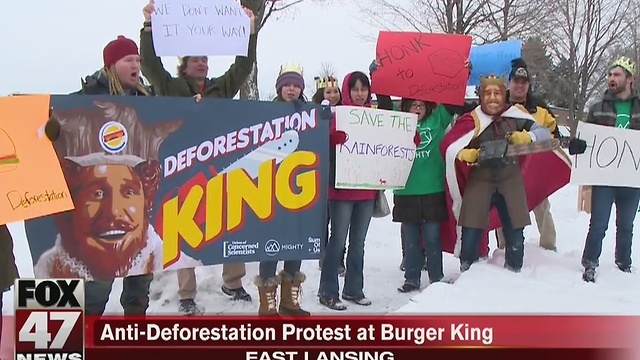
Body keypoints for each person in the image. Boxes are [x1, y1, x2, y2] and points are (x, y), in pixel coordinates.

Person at [139, 0, 258, 313]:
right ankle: (187, 293)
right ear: (184, 64)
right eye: (196, 60)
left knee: (233, 222)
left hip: (219, 168)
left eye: (205, 59)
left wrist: (249, 33)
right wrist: (149, 27)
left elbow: (243, 67)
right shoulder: (171, 87)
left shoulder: (221, 87)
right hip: (183, 170)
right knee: (183, 228)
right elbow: (150, 66)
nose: (202, 63)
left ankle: (233, 282)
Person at [45, 35, 156, 317]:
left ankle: (134, 329)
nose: (136, 65)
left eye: (138, 60)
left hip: (136, 203)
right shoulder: (87, 98)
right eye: (129, 60)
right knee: (97, 279)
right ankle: (89, 330)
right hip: (96, 205)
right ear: (111, 65)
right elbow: (56, 123)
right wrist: (49, 125)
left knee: (140, 276)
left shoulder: (150, 100)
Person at [441, 74, 553, 273]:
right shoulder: (472, 119)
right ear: (481, 96)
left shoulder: (515, 115)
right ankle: (467, 270)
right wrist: (463, 152)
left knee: (514, 229)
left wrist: (528, 135)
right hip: (480, 178)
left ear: (504, 95)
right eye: (488, 93)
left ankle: (514, 269)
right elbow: (449, 144)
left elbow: (544, 133)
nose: (493, 98)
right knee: (471, 228)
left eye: (497, 93)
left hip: (510, 178)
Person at [568, 57, 639, 282]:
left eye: (617, 75)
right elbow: (586, 141)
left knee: (626, 225)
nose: (611, 79)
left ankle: (624, 263)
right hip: (605, 177)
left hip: (631, 178)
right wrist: (577, 145)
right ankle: (590, 262)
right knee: (598, 223)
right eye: (610, 75)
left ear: (630, 79)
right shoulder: (597, 109)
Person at [254, 64, 310, 316]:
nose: (292, 89)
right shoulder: (265, 112)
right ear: (279, 88)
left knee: (295, 242)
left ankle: (289, 301)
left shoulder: (311, 114)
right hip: (269, 187)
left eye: (297, 85)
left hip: (302, 188)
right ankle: (267, 305)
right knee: (271, 243)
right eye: (287, 84)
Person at [318, 71, 377, 311]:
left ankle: (353, 289)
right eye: (355, 89)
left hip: (366, 190)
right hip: (341, 189)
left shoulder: (376, 116)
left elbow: (385, 145)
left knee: (358, 243)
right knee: (337, 241)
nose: (360, 94)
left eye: (364, 89)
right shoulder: (337, 114)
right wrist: (332, 137)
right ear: (347, 90)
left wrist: (406, 140)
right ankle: (328, 291)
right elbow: (320, 141)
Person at [494, 58, 560, 252]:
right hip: (506, 169)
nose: (520, 86)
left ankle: (549, 248)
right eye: (516, 81)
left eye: (524, 82)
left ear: (529, 85)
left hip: (534, 170)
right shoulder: (497, 103)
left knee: (542, 206)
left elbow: (554, 134)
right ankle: (504, 248)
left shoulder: (539, 107)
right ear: (509, 83)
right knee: (502, 210)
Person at [311, 75, 345, 276]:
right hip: (321, 173)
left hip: (342, 172)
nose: (333, 95)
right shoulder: (314, 113)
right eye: (328, 92)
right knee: (324, 220)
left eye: (335, 91)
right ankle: (324, 256)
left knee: (340, 224)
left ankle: (338, 258)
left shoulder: (347, 113)